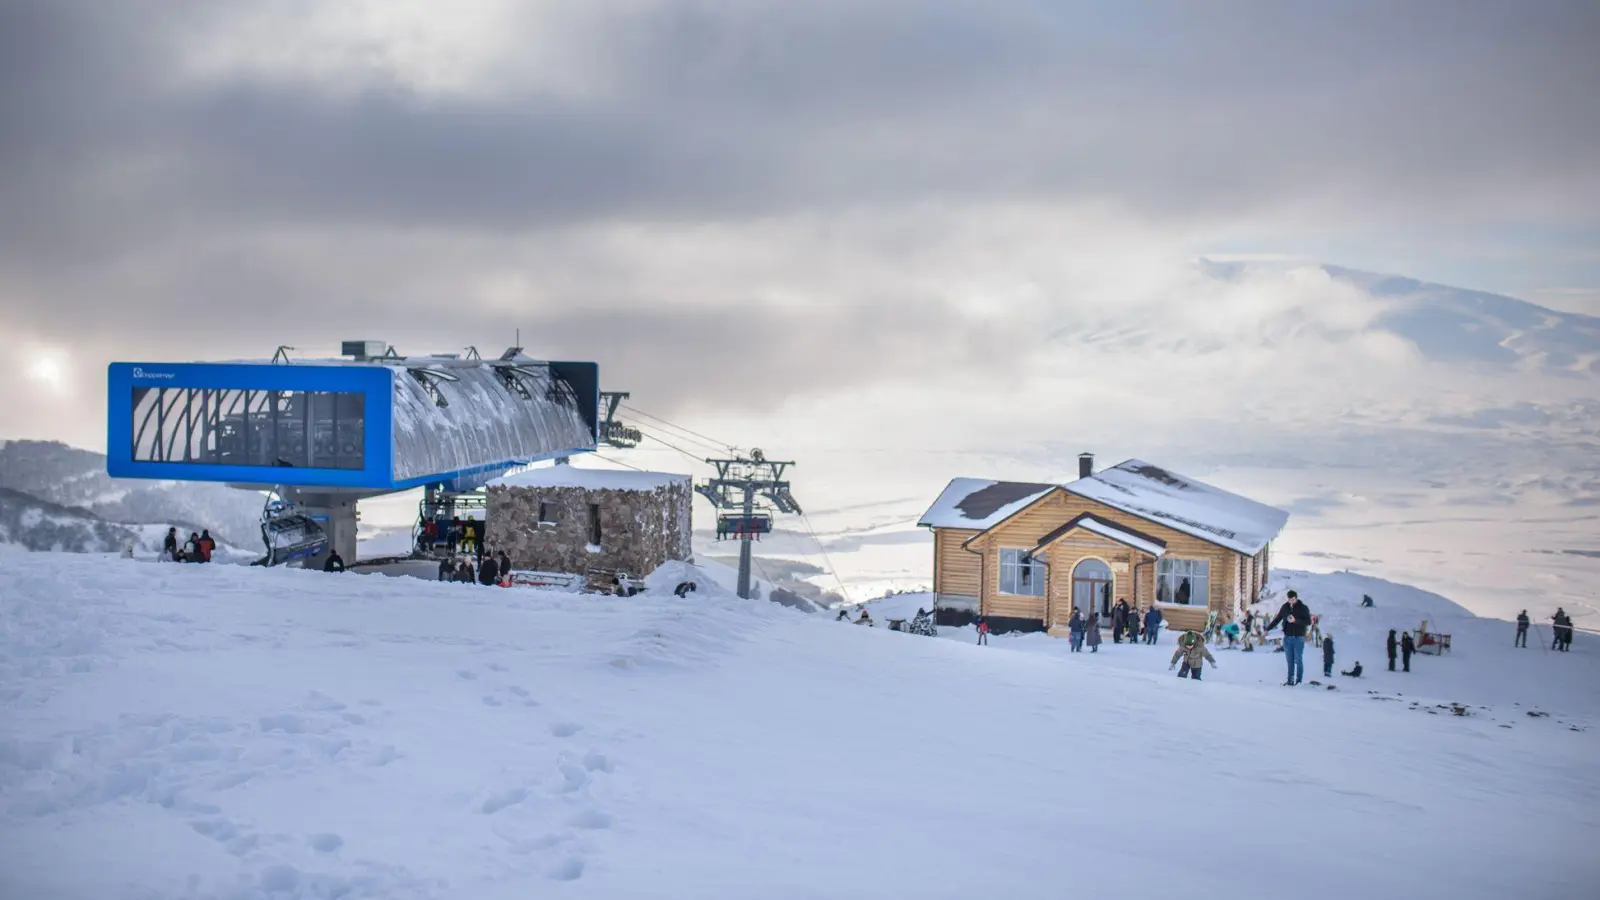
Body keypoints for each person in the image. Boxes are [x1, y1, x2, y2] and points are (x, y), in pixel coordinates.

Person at [1265, 589, 1312, 686]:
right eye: (1290, 600)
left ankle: (1299, 681)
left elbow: (1308, 622)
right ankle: (1290, 680)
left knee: (1298, 659)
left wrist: (1295, 621)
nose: (1291, 601)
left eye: (1293, 599)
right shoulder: (1285, 607)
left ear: (1296, 598)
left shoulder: (1303, 608)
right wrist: (1268, 629)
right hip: (1287, 637)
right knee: (1289, 660)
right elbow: (1277, 619)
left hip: (1299, 637)